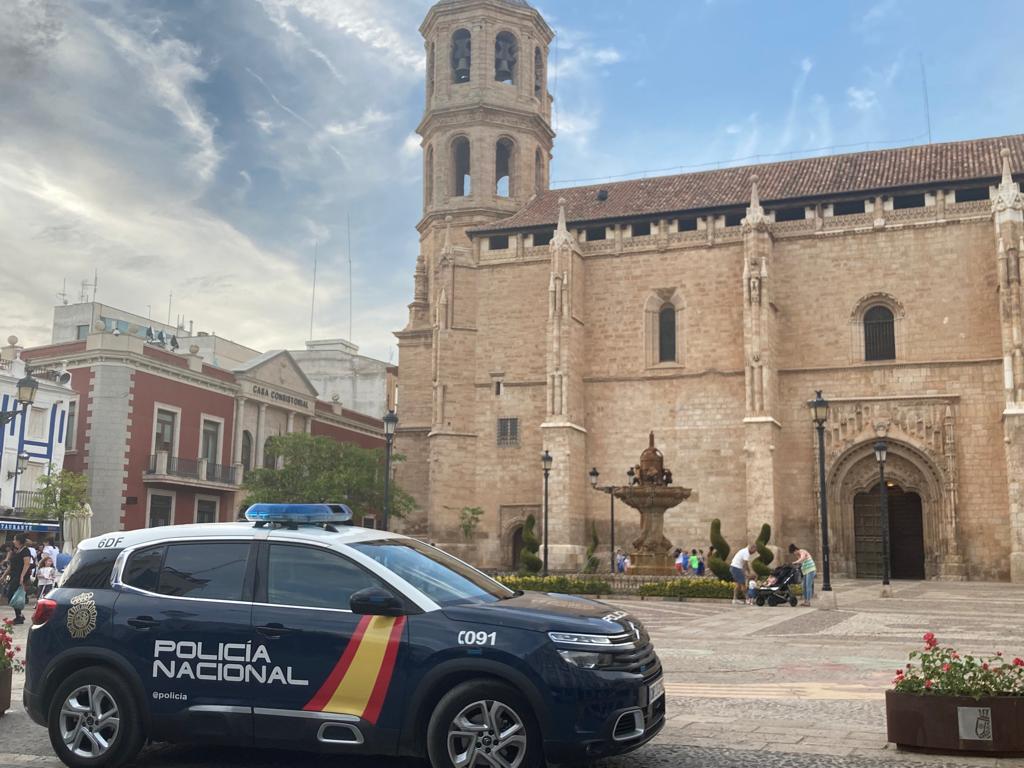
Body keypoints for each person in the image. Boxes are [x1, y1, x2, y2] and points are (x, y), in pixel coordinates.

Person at [5, 534, 33, 624]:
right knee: (10, 595)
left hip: (19, 576)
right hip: (13, 575)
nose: (13, 541)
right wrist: (3, 576)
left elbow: (26, 564)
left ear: (19, 541)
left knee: (12, 594)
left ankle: (19, 616)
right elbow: (11, 566)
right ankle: (19, 616)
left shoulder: (25, 551)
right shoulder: (17, 551)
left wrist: (22, 576)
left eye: (14, 539)